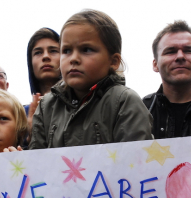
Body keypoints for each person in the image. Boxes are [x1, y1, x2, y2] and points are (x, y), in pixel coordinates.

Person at [28, 9, 152, 149]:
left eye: (86, 49)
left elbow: (136, 163)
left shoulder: (125, 102)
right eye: (67, 50)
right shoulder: (46, 106)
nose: (73, 58)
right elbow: (36, 164)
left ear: (114, 61)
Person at [24, 28, 61, 116]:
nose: (45, 56)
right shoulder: (22, 115)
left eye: (53, 51)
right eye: (38, 53)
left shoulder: (81, 106)